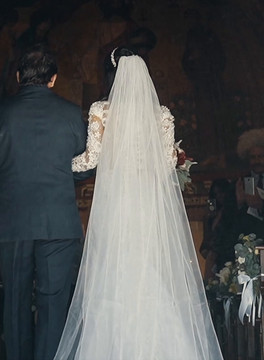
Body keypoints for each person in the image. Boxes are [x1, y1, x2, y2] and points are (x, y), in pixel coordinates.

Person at [55, 48, 222, 360]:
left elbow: (90, 160)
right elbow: (168, 160)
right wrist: (174, 158)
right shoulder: (161, 114)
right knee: (150, 272)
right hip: (148, 208)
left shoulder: (101, 111)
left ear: (111, 75)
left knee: (114, 274)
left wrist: (57, 164)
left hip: (115, 208)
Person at [0, 47, 87, 360]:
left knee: (15, 300)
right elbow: (85, 169)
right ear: (53, 79)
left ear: (17, 77)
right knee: (53, 302)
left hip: (11, 220)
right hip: (58, 219)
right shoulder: (70, 113)